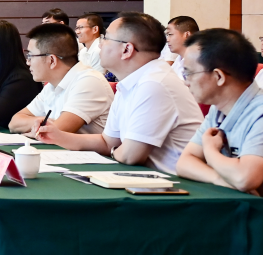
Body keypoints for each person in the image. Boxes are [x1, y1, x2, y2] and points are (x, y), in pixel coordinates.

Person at [37, 12, 202, 174]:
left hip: (178, 184)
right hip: (148, 179)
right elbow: (107, 141)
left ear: (126, 49)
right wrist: (58, 136)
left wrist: (113, 151)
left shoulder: (154, 84)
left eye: (106, 38)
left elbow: (130, 156)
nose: (100, 45)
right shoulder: (131, 82)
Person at [176, 29, 263, 194]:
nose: (186, 82)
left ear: (219, 76)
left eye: (189, 73)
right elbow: (185, 163)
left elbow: (245, 178)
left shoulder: (259, 112)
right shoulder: (218, 109)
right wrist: (220, 179)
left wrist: (210, 151)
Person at [9, 22, 113, 135]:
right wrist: (41, 122)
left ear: (52, 60)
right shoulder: (51, 86)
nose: (28, 62)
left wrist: (43, 127)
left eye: (30, 56)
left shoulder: (89, 81)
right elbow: (14, 123)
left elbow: (55, 133)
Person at [164, 16, 199, 80]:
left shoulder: (199, 62)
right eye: (167, 35)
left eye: (170, 34)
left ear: (187, 35)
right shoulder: (178, 60)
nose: (167, 40)